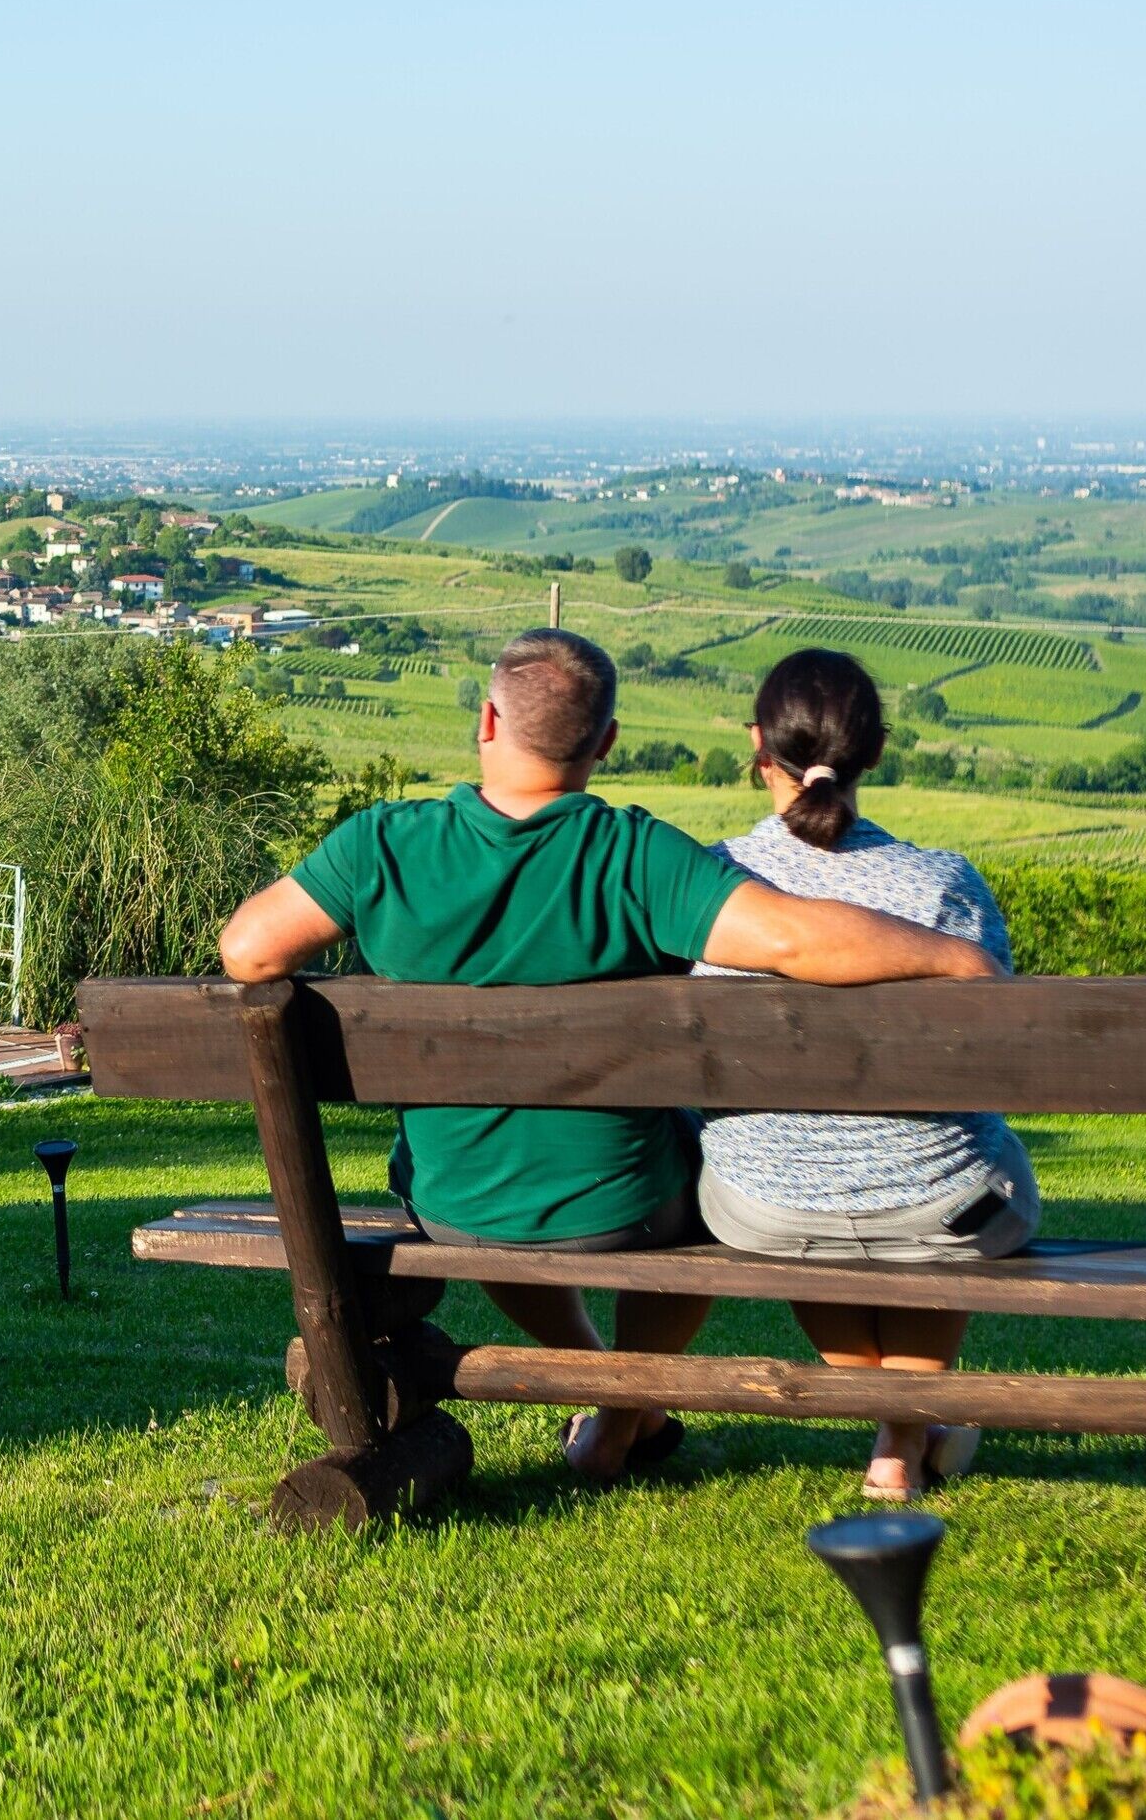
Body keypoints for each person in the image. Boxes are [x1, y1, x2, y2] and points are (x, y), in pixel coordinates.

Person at [215, 628, 999, 1484]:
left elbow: (248, 949)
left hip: (452, 1199)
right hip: (630, 1208)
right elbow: (788, 937)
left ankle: (616, 1399)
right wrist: (951, 955)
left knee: (551, 1186)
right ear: (607, 742)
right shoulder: (634, 854)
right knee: (709, 1176)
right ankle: (624, 1403)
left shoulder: (382, 843)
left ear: (486, 719)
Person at [697, 647, 1040, 1500]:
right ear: (876, 753)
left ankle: (901, 1422)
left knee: (803, 1194)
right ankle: (900, 1430)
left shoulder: (708, 881)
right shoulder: (943, 884)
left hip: (763, 1205)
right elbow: (996, 1058)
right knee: (967, 1169)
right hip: (944, 1207)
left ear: (757, 748)